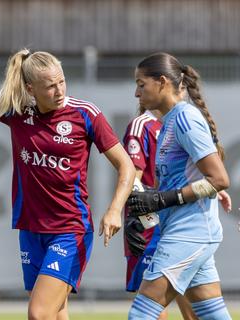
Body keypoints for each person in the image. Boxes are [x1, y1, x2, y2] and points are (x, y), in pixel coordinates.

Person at [0, 17, 135, 320]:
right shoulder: (16, 109)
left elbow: (127, 166)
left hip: (70, 229)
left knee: (39, 313)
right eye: (50, 86)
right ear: (31, 88)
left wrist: (113, 209)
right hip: (31, 229)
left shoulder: (85, 114)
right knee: (56, 313)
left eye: (62, 82)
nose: (59, 90)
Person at [126, 52, 232, 320]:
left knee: (141, 315)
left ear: (162, 82)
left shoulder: (184, 118)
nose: (137, 93)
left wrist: (161, 201)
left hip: (190, 234)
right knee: (212, 316)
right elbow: (183, 183)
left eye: (141, 84)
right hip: (187, 231)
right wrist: (146, 218)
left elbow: (219, 180)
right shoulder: (170, 121)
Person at [123, 107, 199, 319]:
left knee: (191, 301)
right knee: (154, 304)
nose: (138, 92)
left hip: (181, 222)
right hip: (150, 225)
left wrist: (213, 191)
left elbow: (200, 171)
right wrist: (140, 218)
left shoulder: (180, 122)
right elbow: (133, 180)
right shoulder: (141, 125)